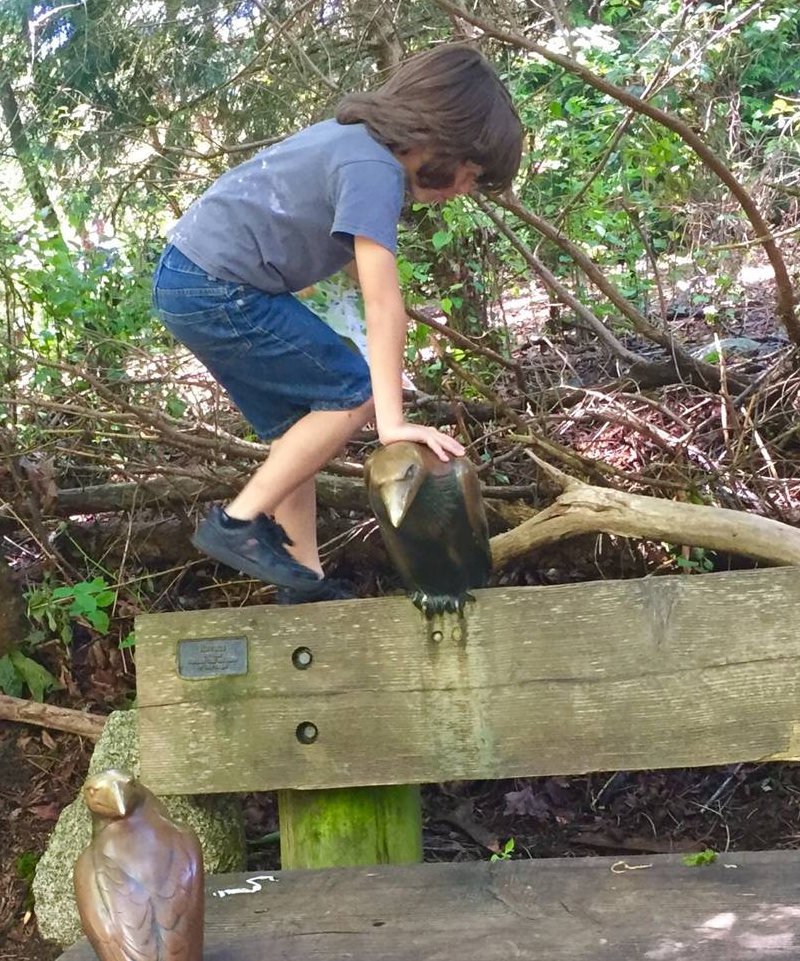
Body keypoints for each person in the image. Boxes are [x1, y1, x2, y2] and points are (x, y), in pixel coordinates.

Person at [151, 42, 524, 601]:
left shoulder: (351, 142)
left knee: (298, 425)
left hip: (189, 279)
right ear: (440, 138)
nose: (466, 188)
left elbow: (345, 263)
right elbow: (383, 302)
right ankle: (240, 522)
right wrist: (391, 421)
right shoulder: (373, 166)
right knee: (350, 391)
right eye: (470, 173)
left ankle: (301, 579)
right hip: (217, 286)